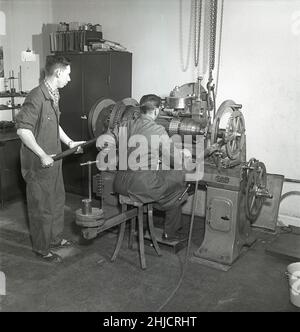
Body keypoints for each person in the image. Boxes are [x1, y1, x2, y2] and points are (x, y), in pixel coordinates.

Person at [16, 55, 85, 262]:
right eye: (68, 74)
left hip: (54, 161)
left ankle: (54, 239)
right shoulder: (36, 97)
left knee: (56, 201)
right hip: (39, 164)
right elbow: (22, 130)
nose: (70, 79)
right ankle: (42, 249)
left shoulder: (53, 94)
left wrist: (70, 142)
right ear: (58, 73)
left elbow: (55, 125)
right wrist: (42, 154)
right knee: (41, 207)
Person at [97, 94, 192, 242]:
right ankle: (170, 233)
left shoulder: (125, 124)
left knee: (162, 181)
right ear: (156, 111)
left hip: (120, 183)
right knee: (179, 185)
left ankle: (146, 226)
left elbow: (107, 138)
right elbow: (176, 160)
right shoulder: (158, 130)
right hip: (142, 186)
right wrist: (184, 154)